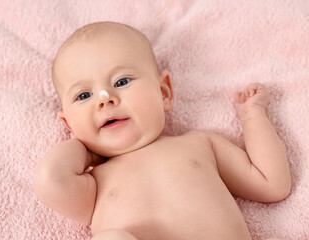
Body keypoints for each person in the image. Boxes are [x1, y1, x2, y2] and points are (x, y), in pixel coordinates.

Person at [33, 21, 291, 240]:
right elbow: (50, 180)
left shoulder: (201, 145)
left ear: (164, 92)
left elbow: (272, 183)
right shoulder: (94, 184)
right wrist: (84, 148)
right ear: (68, 124)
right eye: (83, 95)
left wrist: (253, 116)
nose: (104, 98)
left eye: (121, 81)